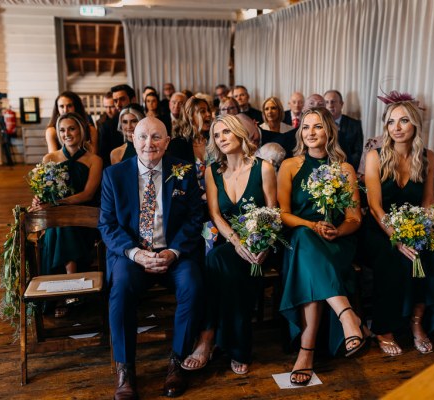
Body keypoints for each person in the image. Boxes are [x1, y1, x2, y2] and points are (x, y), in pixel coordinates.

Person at [98, 117, 205, 399]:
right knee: (120, 288)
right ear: (133, 139)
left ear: (167, 142)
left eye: (157, 137)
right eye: (143, 137)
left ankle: (177, 362)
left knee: (192, 285)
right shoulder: (114, 175)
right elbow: (107, 225)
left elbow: (195, 218)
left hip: (174, 253)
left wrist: (174, 251)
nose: (149, 144)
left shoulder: (183, 171)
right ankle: (125, 369)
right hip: (132, 254)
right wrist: (136, 254)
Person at [182, 114, 277, 375]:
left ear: (239, 133)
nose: (221, 139)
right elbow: (215, 213)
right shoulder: (213, 172)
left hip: (261, 246)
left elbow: (272, 212)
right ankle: (238, 346)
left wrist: (263, 244)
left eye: (226, 132)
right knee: (220, 260)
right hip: (230, 245)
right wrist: (236, 242)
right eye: (216, 135)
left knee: (218, 264)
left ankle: (207, 338)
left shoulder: (264, 168)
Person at [277, 107, 366, 386]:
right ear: (300, 132)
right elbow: (283, 213)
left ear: (329, 131)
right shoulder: (290, 165)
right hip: (302, 235)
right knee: (304, 242)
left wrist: (336, 230)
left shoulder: (345, 169)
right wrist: (313, 225)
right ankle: (347, 314)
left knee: (309, 263)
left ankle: (306, 351)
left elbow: (354, 218)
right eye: (305, 127)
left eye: (317, 127)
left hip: (336, 241)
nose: (311, 132)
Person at [364, 98, 434, 356]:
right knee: (391, 257)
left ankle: (417, 322)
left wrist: (429, 230)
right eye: (391, 121)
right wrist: (397, 239)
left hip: (412, 224)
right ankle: (383, 328)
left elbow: (428, 202)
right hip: (378, 228)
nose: (396, 127)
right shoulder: (375, 156)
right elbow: (375, 207)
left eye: (403, 120)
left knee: (427, 249)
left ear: (415, 125)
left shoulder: (427, 157)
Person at [31, 112, 103, 317]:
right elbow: (42, 190)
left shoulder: (94, 160)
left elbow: (87, 194)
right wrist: (39, 200)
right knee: (60, 225)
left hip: (84, 219)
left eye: (71, 128)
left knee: (64, 223)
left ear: (81, 131)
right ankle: (73, 285)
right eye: (62, 130)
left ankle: (61, 291)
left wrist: (57, 203)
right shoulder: (50, 158)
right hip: (57, 220)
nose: (67, 134)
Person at [168, 96, 212, 190]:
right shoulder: (177, 145)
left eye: (208, 110)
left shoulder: (214, 141)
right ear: (190, 116)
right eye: (202, 111)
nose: (208, 114)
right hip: (192, 201)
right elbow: (178, 179)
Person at [324, 90, 364, 171]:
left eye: (333, 102)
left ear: (341, 104)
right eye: (327, 102)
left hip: (348, 168)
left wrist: (347, 168)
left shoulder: (355, 125)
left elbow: (358, 151)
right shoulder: (320, 125)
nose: (330, 105)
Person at [99, 84, 137, 167]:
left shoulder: (146, 122)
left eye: (122, 99)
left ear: (133, 100)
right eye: (115, 101)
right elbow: (104, 160)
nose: (118, 104)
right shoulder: (106, 127)